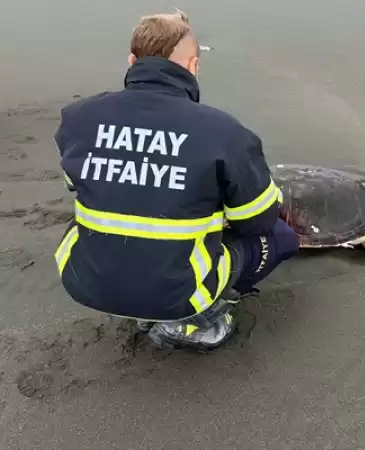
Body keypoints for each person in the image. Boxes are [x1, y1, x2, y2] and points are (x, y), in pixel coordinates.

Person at [53, 9, 299, 351]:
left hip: (86, 281)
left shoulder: (78, 118)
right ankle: (194, 321)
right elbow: (258, 221)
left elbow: (79, 183)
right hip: (177, 291)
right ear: (193, 66)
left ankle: (139, 302)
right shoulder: (225, 133)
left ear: (132, 61)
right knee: (282, 238)